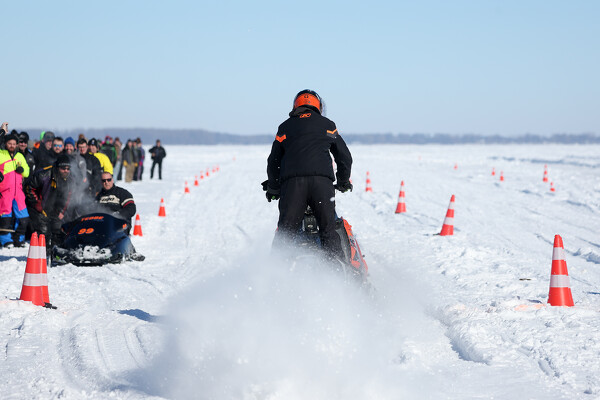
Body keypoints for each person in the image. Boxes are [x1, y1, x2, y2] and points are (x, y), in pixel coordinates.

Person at [265, 89, 353, 261]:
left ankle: (274, 272)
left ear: (295, 105)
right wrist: (343, 181)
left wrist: (273, 188)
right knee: (328, 230)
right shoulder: (327, 125)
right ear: (318, 106)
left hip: (293, 186)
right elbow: (344, 157)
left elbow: (273, 161)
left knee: (286, 234)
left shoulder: (285, 127)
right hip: (321, 185)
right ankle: (338, 271)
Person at [24, 154, 74, 248]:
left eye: (68, 169)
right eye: (63, 168)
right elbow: (29, 188)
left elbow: (68, 197)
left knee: (58, 231)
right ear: (57, 167)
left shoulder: (70, 179)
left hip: (55, 207)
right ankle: (42, 253)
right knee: (44, 232)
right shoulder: (43, 174)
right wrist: (37, 204)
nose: (66, 171)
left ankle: (55, 252)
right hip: (38, 207)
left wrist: (62, 211)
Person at [0, 133, 30, 247]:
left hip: (18, 192)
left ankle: (19, 239)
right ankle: (5, 240)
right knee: (5, 217)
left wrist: (22, 170)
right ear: (5, 144)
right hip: (5, 191)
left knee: (24, 217)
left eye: (14, 144)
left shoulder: (20, 156)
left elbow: (27, 172)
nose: (12, 146)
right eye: (9, 143)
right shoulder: (1, 154)